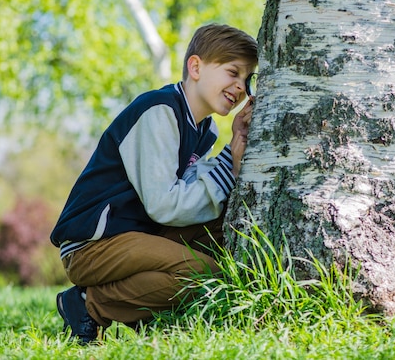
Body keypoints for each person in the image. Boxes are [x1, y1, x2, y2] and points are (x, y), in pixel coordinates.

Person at [50, 23, 258, 344]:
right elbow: (165, 204)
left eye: (247, 79)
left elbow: (194, 196)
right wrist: (229, 160)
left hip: (138, 235)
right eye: (233, 72)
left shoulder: (205, 131)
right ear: (196, 67)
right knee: (205, 274)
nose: (241, 86)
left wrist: (237, 152)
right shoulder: (159, 111)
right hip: (94, 245)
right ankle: (89, 305)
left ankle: (146, 314)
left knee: (222, 227)